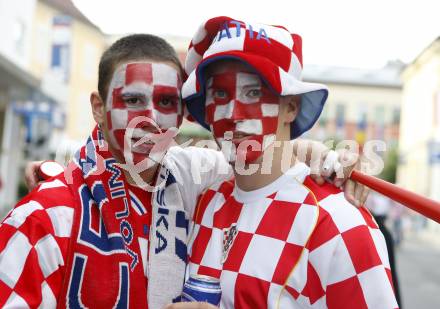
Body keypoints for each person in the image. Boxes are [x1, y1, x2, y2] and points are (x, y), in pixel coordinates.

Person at [1, 33, 366, 309]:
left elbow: (258, 161)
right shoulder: (45, 217)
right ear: (98, 108)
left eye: (165, 102)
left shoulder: (193, 175)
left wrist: (317, 154)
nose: (150, 118)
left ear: (181, 113)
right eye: (132, 100)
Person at [172, 17, 398, 308]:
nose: (233, 113)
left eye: (253, 92)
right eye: (219, 94)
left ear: (290, 107)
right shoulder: (207, 202)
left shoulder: (339, 222)